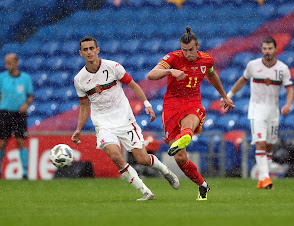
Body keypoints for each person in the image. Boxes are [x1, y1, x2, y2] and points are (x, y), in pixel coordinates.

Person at [71, 36, 179, 201]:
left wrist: (147, 104)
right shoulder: (79, 79)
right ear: (80, 53)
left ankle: (165, 170)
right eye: (85, 50)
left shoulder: (113, 67)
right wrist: (78, 129)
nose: (89, 52)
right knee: (116, 157)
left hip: (124, 119)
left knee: (142, 159)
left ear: (97, 50)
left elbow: (134, 85)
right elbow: (84, 106)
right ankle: (146, 192)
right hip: (103, 123)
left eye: (92, 48)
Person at [147, 27, 234, 200]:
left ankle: (185, 135)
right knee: (180, 157)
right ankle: (203, 185)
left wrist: (224, 96)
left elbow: (211, 75)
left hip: (193, 103)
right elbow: (151, 75)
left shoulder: (207, 60)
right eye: (184, 50)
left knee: (188, 124)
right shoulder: (173, 58)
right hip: (171, 106)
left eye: (191, 50)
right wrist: (169, 71)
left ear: (198, 46)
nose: (187, 54)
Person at [222, 37, 294, 189]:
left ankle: (263, 179)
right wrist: (229, 96)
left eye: (270, 49)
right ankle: (265, 178)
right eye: (265, 49)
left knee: (269, 146)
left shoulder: (282, 69)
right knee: (260, 143)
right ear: (262, 50)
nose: (267, 52)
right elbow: (242, 80)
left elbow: (289, 89)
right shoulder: (253, 65)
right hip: (257, 111)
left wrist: (287, 104)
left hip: (273, 113)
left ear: (275, 49)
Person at [0, 53, 34, 179]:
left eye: (9, 62)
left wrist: (26, 104)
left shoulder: (25, 78)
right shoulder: (2, 77)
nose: (7, 65)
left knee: (21, 141)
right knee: (2, 143)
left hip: (20, 115)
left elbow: (30, 96)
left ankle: (25, 173)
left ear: (16, 63)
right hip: (4, 113)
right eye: (6, 62)